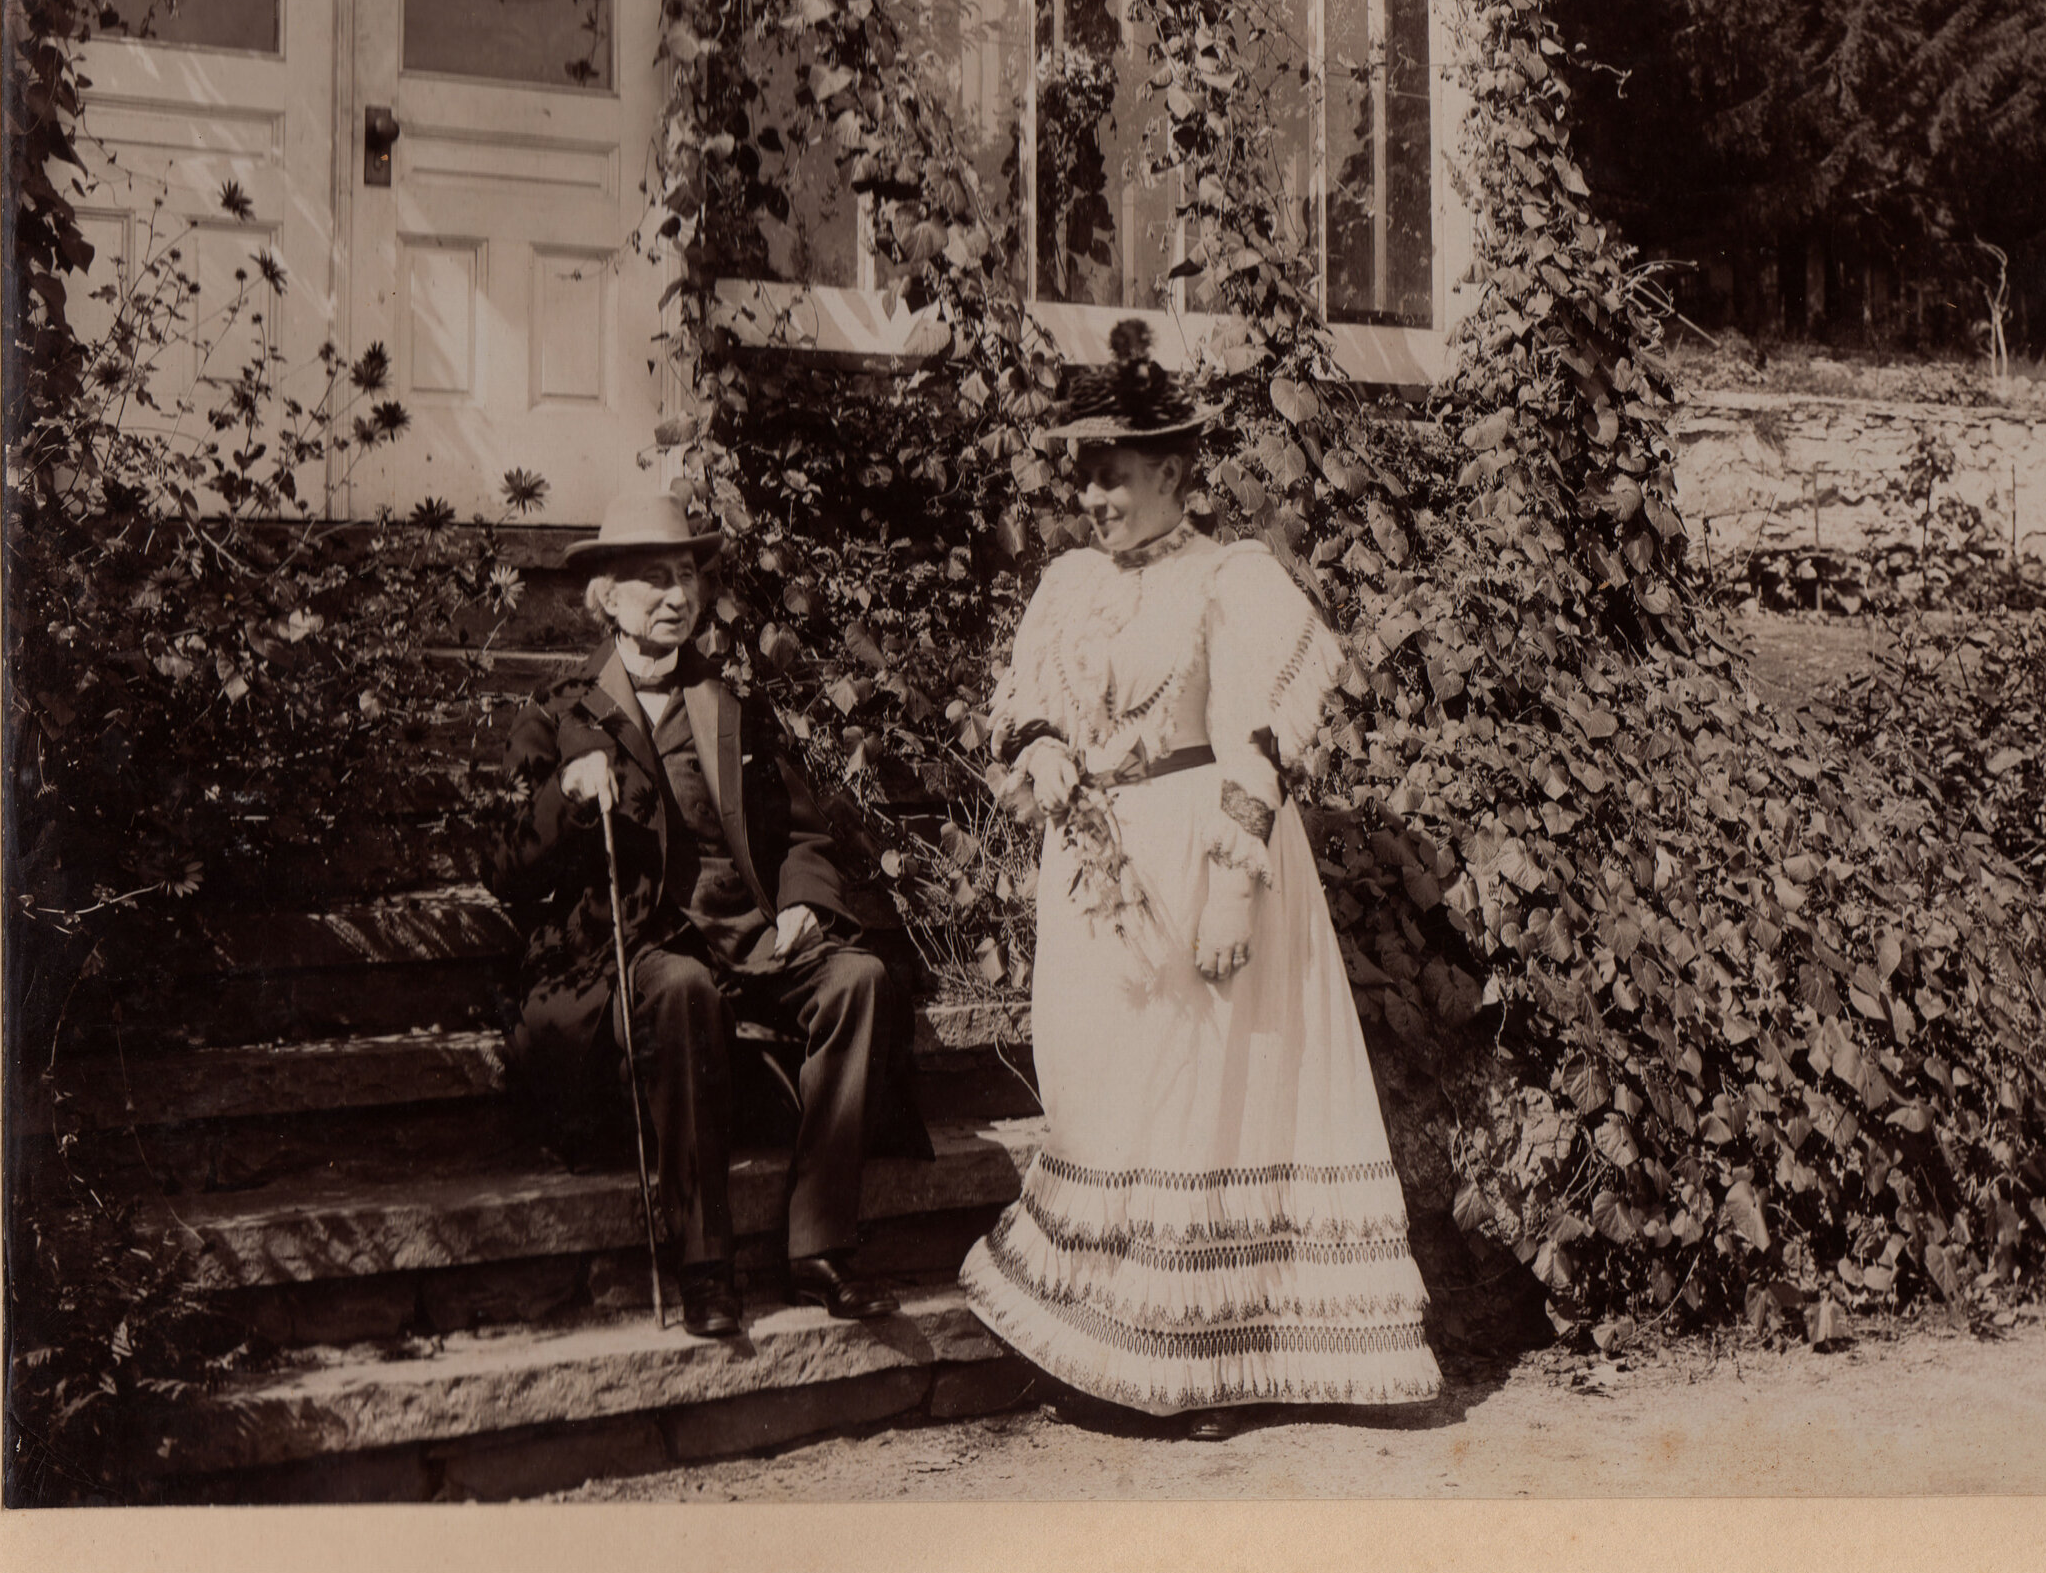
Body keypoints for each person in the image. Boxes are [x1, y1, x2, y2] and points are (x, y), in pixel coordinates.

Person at [960, 326, 1443, 1439]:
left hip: (1201, 852)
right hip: (1095, 876)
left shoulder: (1232, 579)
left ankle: (1210, 1356)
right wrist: (1039, 753)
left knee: (1203, 1104)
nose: (1092, 495)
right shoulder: (1070, 582)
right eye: (1081, 472)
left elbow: (1261, 739)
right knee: (1106, 1098)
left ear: (1173, 473)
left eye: (1113, 473)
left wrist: (1236, 879)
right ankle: (1102, 1338)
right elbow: (1033, 699)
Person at [492, 489, 916, 1337]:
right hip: (641, 948)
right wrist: (566, 796)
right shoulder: (559, 714)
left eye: (685, 575)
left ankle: (822, 1245)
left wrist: (801, 901)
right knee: (682, 988)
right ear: (607, 597)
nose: (677, 596)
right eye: (653, 579)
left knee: (861, 978)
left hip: (750, 939)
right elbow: (504, 866)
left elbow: (799, 830)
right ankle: (705, 1261)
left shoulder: (731, 706)